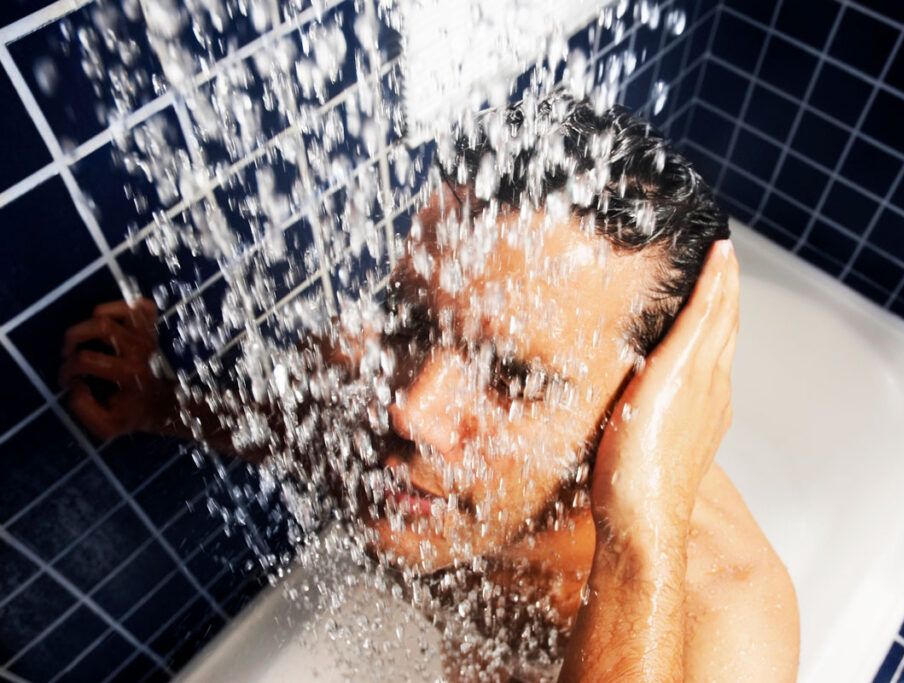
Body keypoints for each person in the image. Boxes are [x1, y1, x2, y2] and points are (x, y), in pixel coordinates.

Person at [61, 94, 799, 681]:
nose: (411, 410)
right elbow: (308, 438)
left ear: (643, 410)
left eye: (514, 378)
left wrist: (636, 546)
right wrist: (160, 404)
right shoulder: (395, 397)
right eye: (412, 320)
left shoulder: (722, 625)